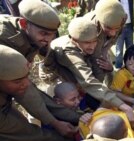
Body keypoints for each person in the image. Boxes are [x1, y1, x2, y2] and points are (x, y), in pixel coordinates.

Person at [0, 0, 81, 137]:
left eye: (52, 35)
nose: (48, 40)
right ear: (24, 24)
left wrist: (74, 118)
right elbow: (23, 90)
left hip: (8, 89)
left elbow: (25, 86)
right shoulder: (4, 39)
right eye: (44, 34)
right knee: (33, 135)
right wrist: (55, 123)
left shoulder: (32, 35)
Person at [43, 16, 134, 129]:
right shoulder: (69, 53)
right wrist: (125, 107)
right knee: (63, 112)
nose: (93, 46)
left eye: (95, 41)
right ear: (74, 41)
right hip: (56, 79)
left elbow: (96, 74)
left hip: (75, 76)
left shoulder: (90, 40)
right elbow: (88, 81)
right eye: (88, 43)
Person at [0, 45, 74, 141]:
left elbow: (32, 99)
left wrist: (56, 123)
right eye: (17, 81)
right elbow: (27, 134)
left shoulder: (12, 79)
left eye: (27, 76)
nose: (27, 84)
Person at [83, 0, 127, 83]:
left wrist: (105, 51)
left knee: (110, 73)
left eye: (116, 28)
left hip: (102, 47)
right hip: (86, 53)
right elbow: (95, 58)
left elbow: (113, 39)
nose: (113, 33)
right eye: (109, 28)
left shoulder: (120, 18)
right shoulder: (90, 26)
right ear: (100, 21)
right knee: (94, 76)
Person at [115, 0, 134, 69]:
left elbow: (131, 11)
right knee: (119, 50)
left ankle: (130, 67)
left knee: (130, 49)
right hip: (119, 27)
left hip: (129, 26)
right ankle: (118, 68)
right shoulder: (116, 1)